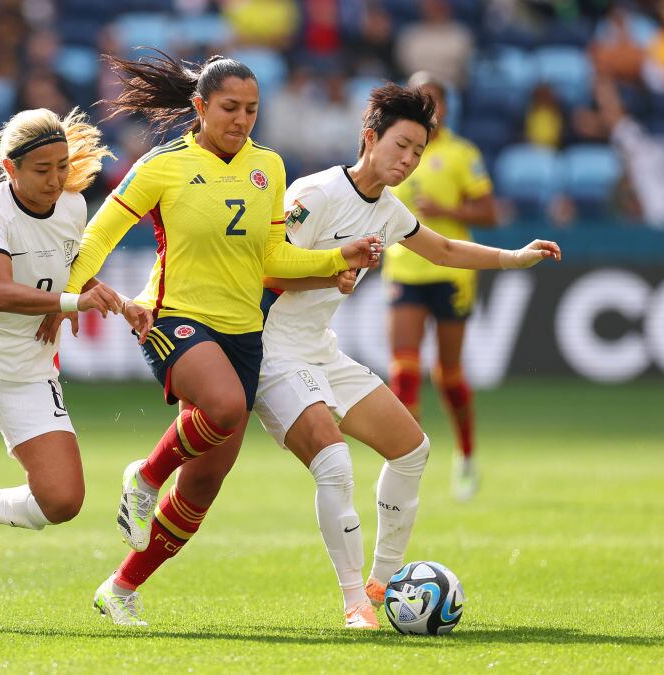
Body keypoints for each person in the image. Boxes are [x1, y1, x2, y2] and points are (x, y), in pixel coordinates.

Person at [63, 51, 382, 626]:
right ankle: (144, 476)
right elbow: (100, 230)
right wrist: (71, 291)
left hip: (243, 332)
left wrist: (338, 256)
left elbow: (272, 255)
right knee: (226, 404)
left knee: (203, 485)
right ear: (200, 107)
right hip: (173, 317)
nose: (241, 119)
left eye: (252, 110)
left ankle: (121, 587)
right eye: (230, 108)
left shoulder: (269, 167)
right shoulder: (162, 166)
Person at [255, 84, 561, 629]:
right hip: (271, 352)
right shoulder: (316, 194)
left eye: (418, 151)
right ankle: (354, 603)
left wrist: (515, 257)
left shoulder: (389, 211)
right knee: (335, 463)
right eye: (401, 145)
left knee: (412, 450)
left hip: (319, 350)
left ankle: (385, 580)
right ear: (368, 138)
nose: (409, 160)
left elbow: (442, 249)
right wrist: (329, 267)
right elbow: (257, 266)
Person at [0, 106, 150, 630]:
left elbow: (69, 274)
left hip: (30, 367)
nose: (55, 180)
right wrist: (70, 306)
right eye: (42, 169)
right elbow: (2, 294)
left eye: (61, 167)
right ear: (11, 169)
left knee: (63, 500)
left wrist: (101, 297)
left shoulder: (72, 206)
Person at [384, 72, 498, 502]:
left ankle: (466, 454)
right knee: (403, 370)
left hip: (451, 273)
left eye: (433, 101)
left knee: (448, 375)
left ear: (447, 107)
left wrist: (445, 208)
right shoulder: (397, 148)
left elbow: (489, 212)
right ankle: (404, 461)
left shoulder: (461, 154)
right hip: (405, 269)